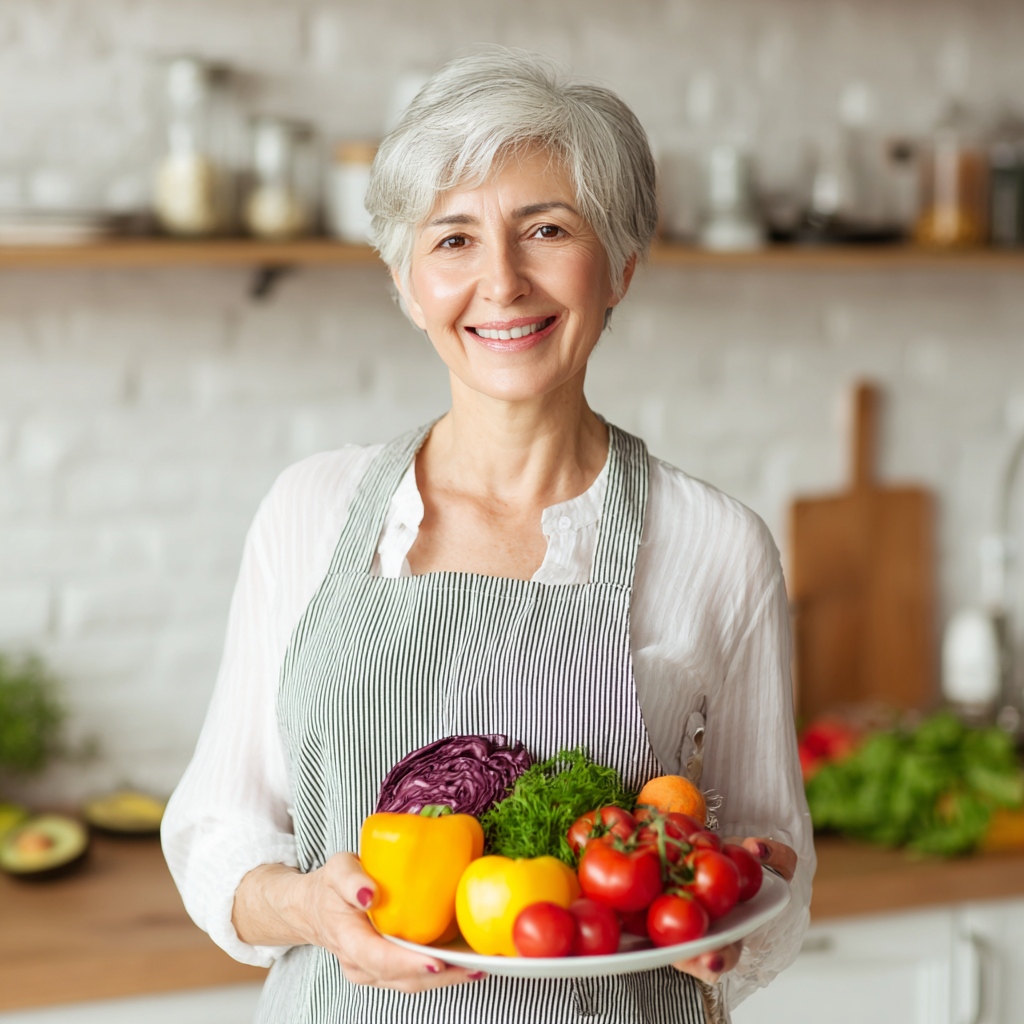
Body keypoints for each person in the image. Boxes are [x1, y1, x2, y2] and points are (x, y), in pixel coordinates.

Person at [162, 48, 813, 1024]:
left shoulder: (715, 547)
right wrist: (305, 904)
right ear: (405, 279)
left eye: (545, 229)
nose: (501, 282)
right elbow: (218, 827)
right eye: (454, 239)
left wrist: (736, 915)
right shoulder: (312, 512)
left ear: (620, 266)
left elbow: (772, 868)